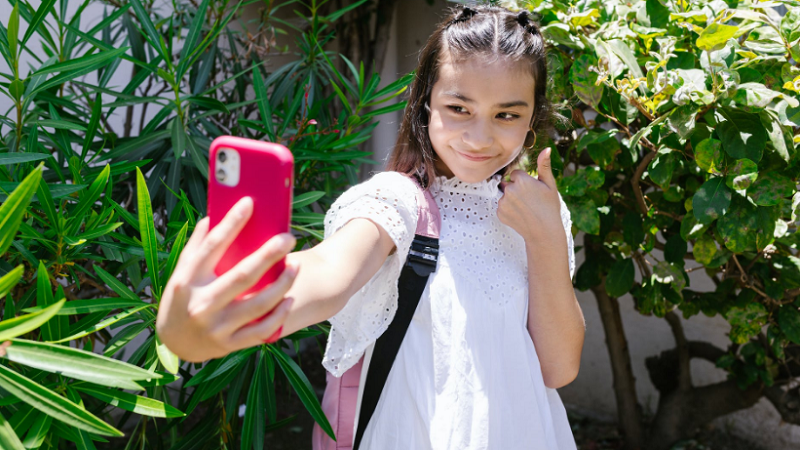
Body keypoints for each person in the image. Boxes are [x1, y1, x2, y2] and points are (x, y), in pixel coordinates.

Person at [156, 4, 585, 449]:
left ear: (532, 119)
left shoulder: (539, 214)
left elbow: (559, 368)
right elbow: (329, 271)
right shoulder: (398, 200)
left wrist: (547, 235)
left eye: (506, 115)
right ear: (426, 105)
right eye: (458, 108)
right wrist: (220, 313)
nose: (479, 137)